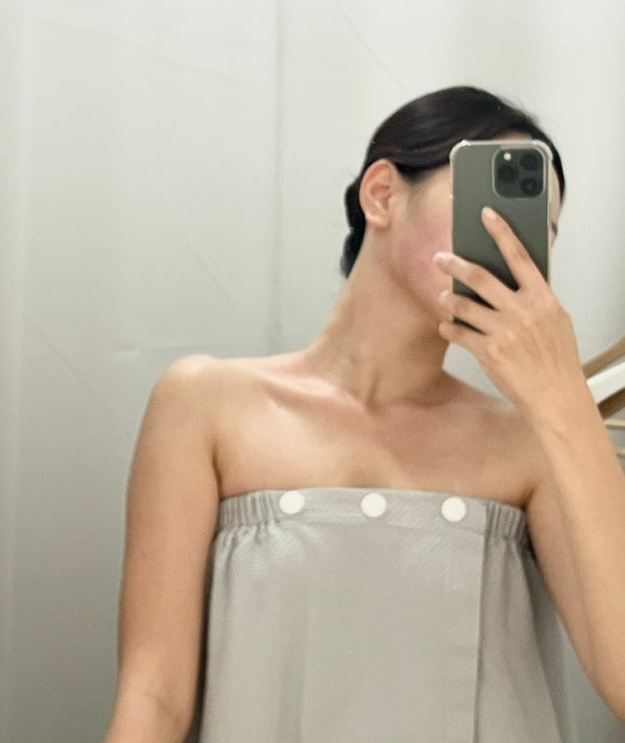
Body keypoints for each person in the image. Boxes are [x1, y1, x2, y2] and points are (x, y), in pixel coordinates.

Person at [102, 86, 625, 743]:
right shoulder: (204, 406)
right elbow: (154, 701)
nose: (508, 248)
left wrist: (562, 403)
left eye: (535, 234)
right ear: (381, 195)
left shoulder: (528, 444)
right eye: (488, 209)